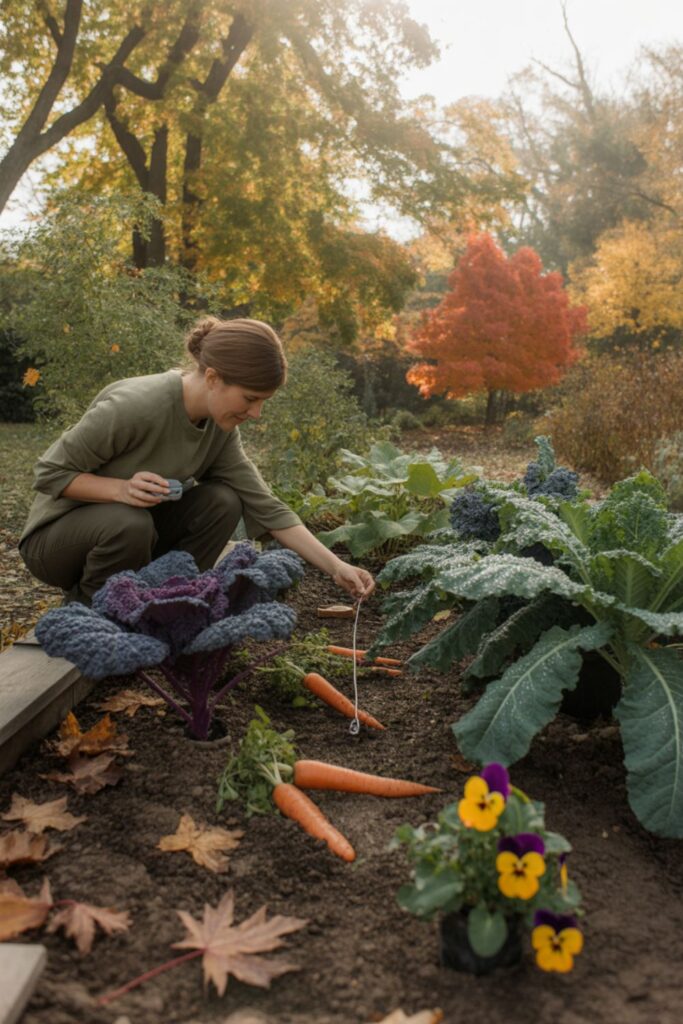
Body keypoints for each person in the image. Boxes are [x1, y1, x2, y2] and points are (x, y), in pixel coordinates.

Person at [18, 317, 375, 606]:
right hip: (56, 542)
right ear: (213, 378)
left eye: (263, 401)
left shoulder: (219, 429)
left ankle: (164, 599)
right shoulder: (138, 407)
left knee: (223, 501)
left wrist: (336, 567)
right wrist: (120, 489)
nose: (257, 413)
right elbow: (49, 473)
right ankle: (90, 609)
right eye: (250, 399)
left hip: (135, 535)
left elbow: (265, 506)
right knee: (128, 522)